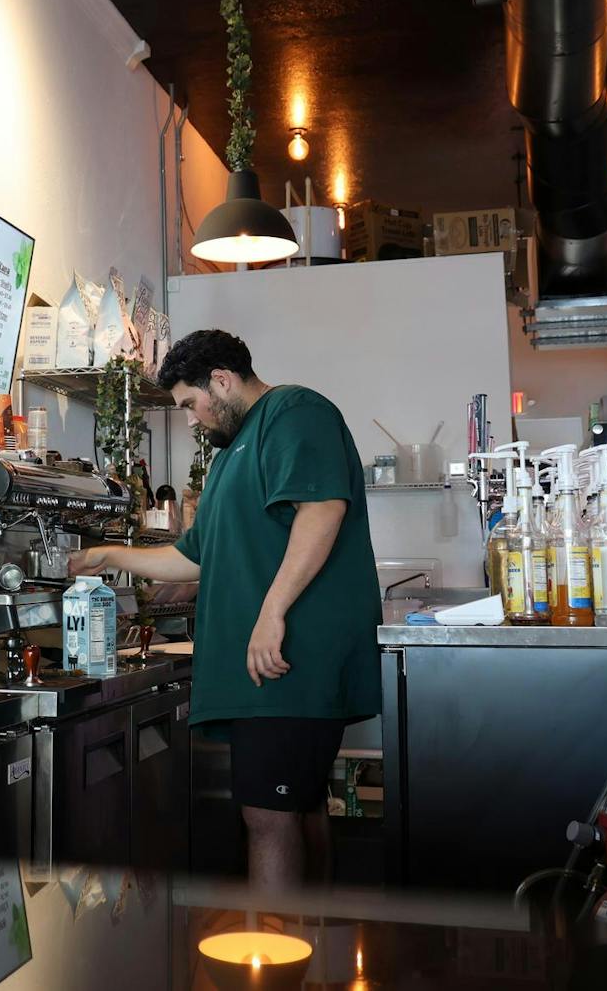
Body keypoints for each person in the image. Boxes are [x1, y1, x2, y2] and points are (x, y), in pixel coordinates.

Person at [70, 330, 380, 887]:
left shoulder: (293, 411)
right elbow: (193, 558)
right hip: (268, 667)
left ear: (222, 379)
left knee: (267, 816)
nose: (191, 419)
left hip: (290, 661)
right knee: (298, 805)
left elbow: (321, 509)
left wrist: (271, 612)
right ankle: (312, 951)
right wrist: (108, 554)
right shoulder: (231, 457)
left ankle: (275, 966)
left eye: (191, 403)